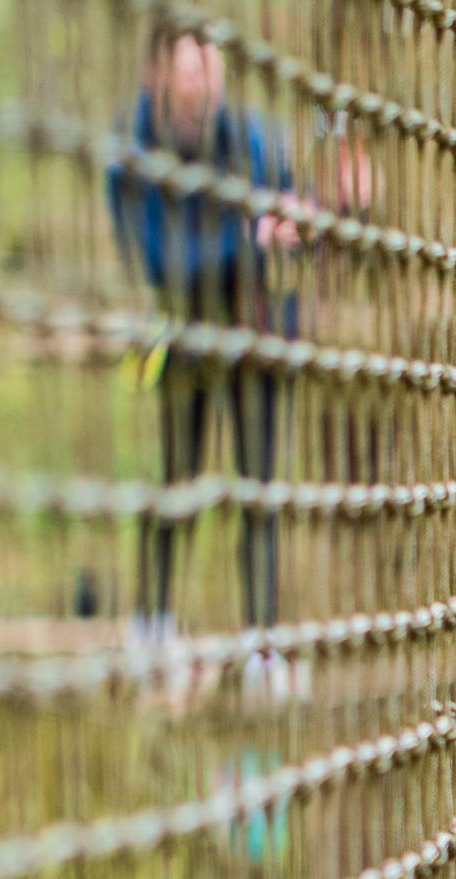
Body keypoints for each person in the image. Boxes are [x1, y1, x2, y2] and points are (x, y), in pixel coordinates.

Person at [107, 27, 300, 708]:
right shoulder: (134, 157)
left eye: (209, 81)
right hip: (185, 337)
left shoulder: (254, 142)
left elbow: (289, 231)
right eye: (189, 83)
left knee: (259, 490)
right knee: (176, 480)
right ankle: (152, 623)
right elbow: (165, 263)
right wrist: (247, 240)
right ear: (159, 79)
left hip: (254, 339)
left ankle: (263, 645)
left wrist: (290, 231)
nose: (201, 96)